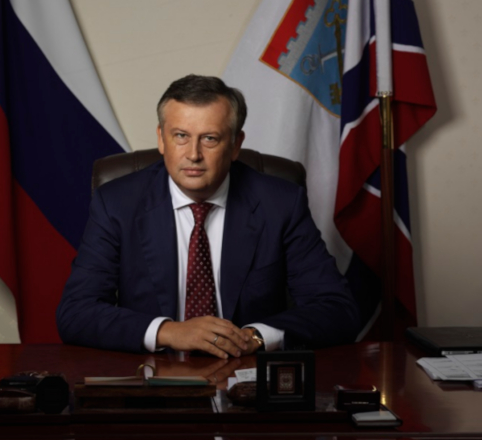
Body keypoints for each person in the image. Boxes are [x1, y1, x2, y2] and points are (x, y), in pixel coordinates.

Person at [57, 74, 359, 358]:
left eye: (210, 139)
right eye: (180, 136)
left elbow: (337, 309)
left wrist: (255, 337)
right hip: (153, 375)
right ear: (161, 139)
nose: (193, 154)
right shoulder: (118, 204)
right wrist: (169, 332)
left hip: (245, 374)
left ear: (236, 145)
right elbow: (75, 312)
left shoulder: (280, 204)